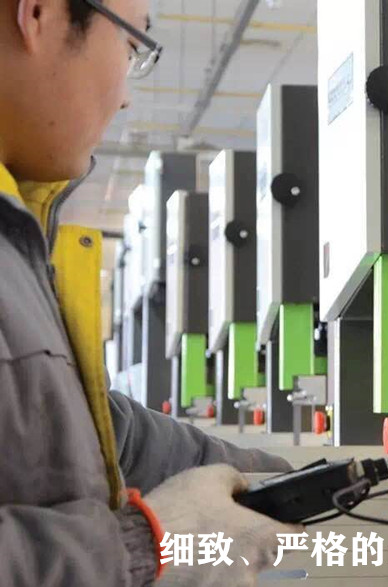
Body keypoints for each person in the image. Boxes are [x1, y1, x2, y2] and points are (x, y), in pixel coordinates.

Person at [0, 0, 296, 585]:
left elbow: (104, 433)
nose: (126, 97)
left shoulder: (18, 245)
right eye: (131, 46)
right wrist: (147, 541)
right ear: (37, 15)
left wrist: (277, 480)